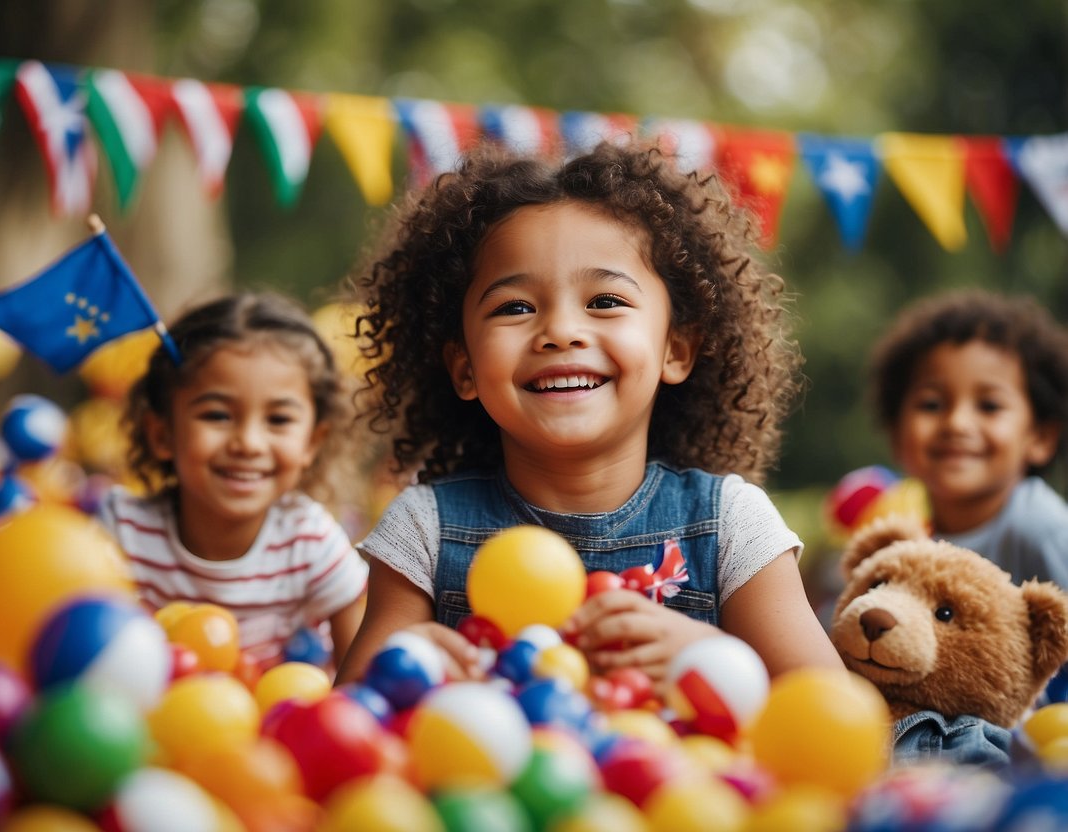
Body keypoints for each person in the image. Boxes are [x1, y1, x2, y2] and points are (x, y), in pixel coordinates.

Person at [335, 140, 842, 691]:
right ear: (464, 369)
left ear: (676, 350)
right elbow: (348, 720)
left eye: (605, 301)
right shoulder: (424, 530)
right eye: (515, 307)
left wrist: (708, 655)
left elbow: (836, 717)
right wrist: (407, 665)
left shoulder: (731, 526)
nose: (561, 331)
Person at [99, 292, 369, 672]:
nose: (248, 443)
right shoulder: (123, 533)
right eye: (217, 415)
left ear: (312, 442)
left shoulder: (310, 542)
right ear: (161, 434)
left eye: (278, 420)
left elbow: (361, 683)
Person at [868, 289, 1068, 589]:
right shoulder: (901, 537)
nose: (957, 423)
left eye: (989, 406)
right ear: (896, 432)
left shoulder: (1041, 531)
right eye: (931, 405)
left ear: (1040, 437)